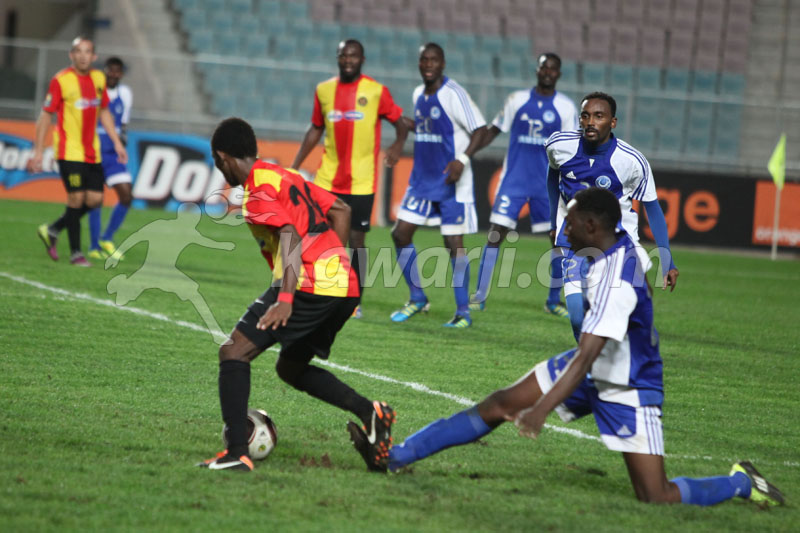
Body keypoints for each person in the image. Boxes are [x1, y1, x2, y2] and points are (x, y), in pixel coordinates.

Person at [350, 187, 785, 508]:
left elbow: (586, 356)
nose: (564, 228)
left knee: (655, 495)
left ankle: (741, 482)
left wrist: (541, 411)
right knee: (498, 404)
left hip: (628, 386)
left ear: (591, 227)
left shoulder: (616, 278)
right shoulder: (609, 250)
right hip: (590, 368)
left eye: (571, 222)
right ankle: (395, 456)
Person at [199, 117, 395, 472]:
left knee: (233, 351)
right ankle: (371, 412)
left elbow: (288, 232)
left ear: (223, 157)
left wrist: (286, 298)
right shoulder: (284, 176)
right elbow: (341, 209)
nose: (219, 168)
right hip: (342, 285)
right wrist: (334, 264)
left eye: (217, 162)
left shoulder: (257, 190)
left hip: (309, 284)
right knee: (290, 367)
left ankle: (236, 454)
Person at [547, 92, 679, 340]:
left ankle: (622, 361)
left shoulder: (631, 161)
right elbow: (552, 176)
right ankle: (590, 366)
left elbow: (652, 206)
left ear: (613, 122)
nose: (590, 122)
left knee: (624, 317)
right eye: (585, 116)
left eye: (599, 116)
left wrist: (667, 259)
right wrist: (554, 219)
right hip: (576, 241)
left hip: (618, 244)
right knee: (577, 315)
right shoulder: (559, 145)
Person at [291, 39, 409, 318]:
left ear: (362, 59)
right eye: (343, 56)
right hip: (326, 180)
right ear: (337, 58)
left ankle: (353, 301)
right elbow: (315, 128)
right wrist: (295, 165)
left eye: (353, 56)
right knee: (318, 237)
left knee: (356, 243)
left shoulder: (376, 91)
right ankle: (317, 291)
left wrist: (396, 146)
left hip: (361, 182)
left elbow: (401, 123)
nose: (348, 60)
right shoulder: (324, 90)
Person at [468, 53, 578, 318]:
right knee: (495, 235)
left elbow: (572, 147)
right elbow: (494, 130)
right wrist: (466, 154)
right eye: (544, 67)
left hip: (547, 185)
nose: (548, 72)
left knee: (557, 241)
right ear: (537, 70)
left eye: (553, 68)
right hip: (514, 180)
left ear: (558, 74)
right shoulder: (516, 100)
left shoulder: (565, 108)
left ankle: (553, 300)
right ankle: (479, 295)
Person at [390, 42, 487, 328]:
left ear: (442, 64)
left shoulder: (454, 94)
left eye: (434, 60)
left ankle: (462, 313)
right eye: (424, 60)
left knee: (453, 245)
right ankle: (418, 298)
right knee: (400, 234)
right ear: (419, 64)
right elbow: (428, 128)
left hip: (451, 180)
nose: (428, 64)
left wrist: (462, 160)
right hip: (422, 179)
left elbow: (480, 130)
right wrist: (406, 125)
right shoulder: (419, 93)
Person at [30, 36, 127, 266]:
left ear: (93, 57)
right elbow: (45, 114)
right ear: (71, 55)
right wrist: (38, 151)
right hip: (68, 151)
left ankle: (53, 229)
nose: (83, 56)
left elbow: (104, 111)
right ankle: (76, 254)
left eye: (87, 52)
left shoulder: (98, 78)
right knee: (76, 198)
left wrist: (117, 142)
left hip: (92, 151)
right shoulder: (61, 80)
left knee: (94, 200)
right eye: (78, 51)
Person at [87, 56, 133, 261]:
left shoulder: (125, 94)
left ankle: (107, 238)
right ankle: (93, 246)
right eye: (110, 70)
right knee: (95, 200)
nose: (113, 74)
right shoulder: (95, 90)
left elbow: (123, 124)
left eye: (117, 71)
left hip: (113, 154)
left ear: (121, 73)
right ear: (105, 70)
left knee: (126, 196)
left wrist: (122, 143)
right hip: (94, 152)